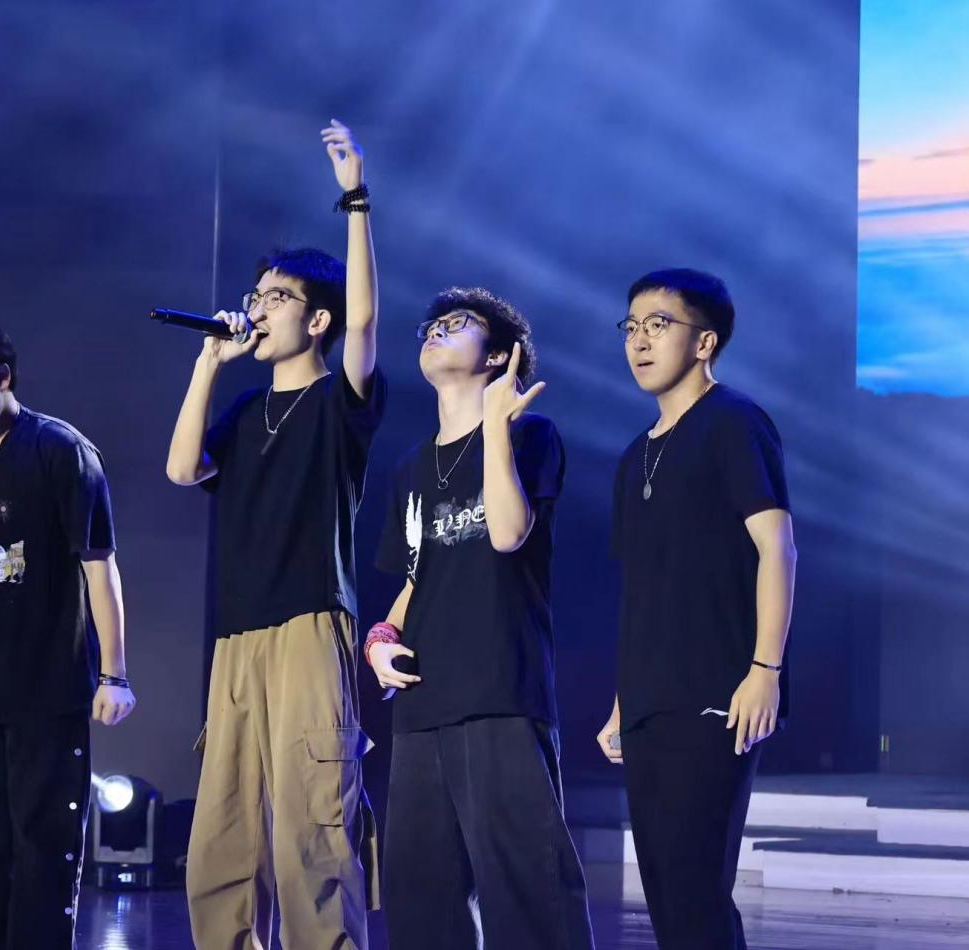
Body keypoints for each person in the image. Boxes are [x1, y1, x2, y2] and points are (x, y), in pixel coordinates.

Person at [165, 120, 383, 948]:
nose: (256, 309)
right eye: (254, 296)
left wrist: (355, 200)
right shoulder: (244, 410)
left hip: (307, 625)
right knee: (222, 831)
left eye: (276, 298)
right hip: (237, 635)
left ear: (316, 320)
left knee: (311, 824)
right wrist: (207, 365)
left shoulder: (337, 400)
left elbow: (365, 321)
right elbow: (182, 469)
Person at [370, 287, 595, 949]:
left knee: (527, 890)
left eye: (457, 323)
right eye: (431, 325)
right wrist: (381, 637)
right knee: (419, 897)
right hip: (422, 702)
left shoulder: (530, 436)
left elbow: (506, 532)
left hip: (499, 691)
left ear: (499, 355)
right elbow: (418, 576)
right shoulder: (410, 467)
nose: (435, 331)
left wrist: (495, 427)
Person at [0, 315, 136, 949]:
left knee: (44, 845)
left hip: (47, 686)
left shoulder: (59, 451)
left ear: (2, 378)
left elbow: (100, 567)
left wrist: (113, 674)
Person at [596, 268, 797, 949]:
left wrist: (764, 668)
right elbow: (641, 590)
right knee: (662, 890)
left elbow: (777, 548)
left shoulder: (734, 422)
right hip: (649, 701)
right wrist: (622, 703)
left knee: (694, 887)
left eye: (658, 325)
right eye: (630, 327)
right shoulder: (634, 455)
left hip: (718, 693)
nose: (639, 341)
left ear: (704, 341)